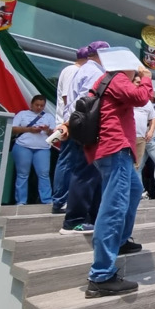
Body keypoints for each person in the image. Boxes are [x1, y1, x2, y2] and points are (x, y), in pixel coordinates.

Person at [84, 62, 153, 298]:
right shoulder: (117, 78)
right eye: (135, 67)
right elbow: (141, 97)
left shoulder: (107, 80)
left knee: (135, 190)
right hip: (116, 150)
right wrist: (146, 78)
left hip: (112, 150)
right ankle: (101, 275)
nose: (137, 71)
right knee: (114, 208)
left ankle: (121, 240)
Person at [56, 41, 110, 233]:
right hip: (87, 126)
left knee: (90, 173)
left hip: (80, 124)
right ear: (99, 54)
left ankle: (88, 217)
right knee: (85, 173)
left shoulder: (85, 69)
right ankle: (74, 220)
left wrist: (67, 121)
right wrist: (70, 123)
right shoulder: (94, 72)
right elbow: (85, 101)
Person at [51, 45, 91, 213]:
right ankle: (60, 201)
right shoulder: (72, 71)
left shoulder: (73, 70)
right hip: (69, 123)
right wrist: (68, 123)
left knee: (73, 162)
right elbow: (69, 98)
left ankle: (67, 199)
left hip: (73, 122)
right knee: (67, 162)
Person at [11, 95, 55, 205]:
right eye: (37, 105)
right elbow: (13, 129)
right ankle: (21, 201)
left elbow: (55, 134)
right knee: (22, 174)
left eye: (42, 106)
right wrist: (29, 129)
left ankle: (47, 200)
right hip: (23, 146)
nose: (39, 107)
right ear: (31, 104)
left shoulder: (49, 117)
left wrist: (47, 129)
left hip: (42, 148)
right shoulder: (22, 114)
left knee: (44, 174)